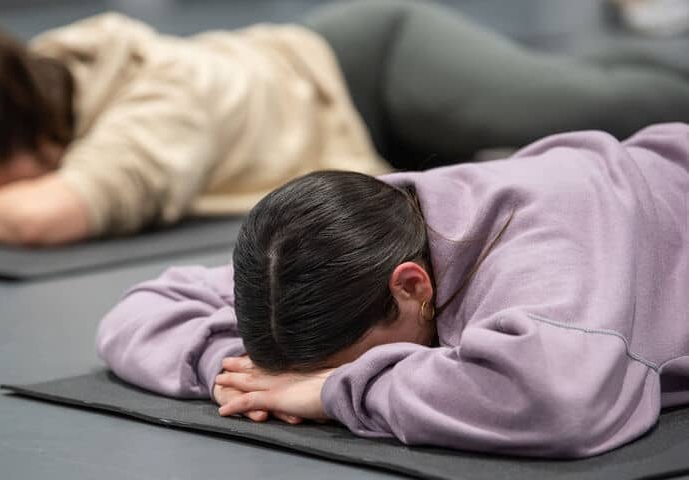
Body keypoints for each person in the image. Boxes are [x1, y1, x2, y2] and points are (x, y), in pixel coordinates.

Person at [0, 0, 689, 249]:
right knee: (592, 93)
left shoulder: (158, 100)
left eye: (1, 183)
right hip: (331, 119)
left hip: (373, 68)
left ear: (48, 148)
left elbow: (48, 214)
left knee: (603, 104)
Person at [96, 122, 689, 458]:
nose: (303, 388)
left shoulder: (546, 247)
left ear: (412, 286)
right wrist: (245, 376)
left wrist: (336, 393)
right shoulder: (343, 241)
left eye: (361, 358)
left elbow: (553, 400)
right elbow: (139, 312)